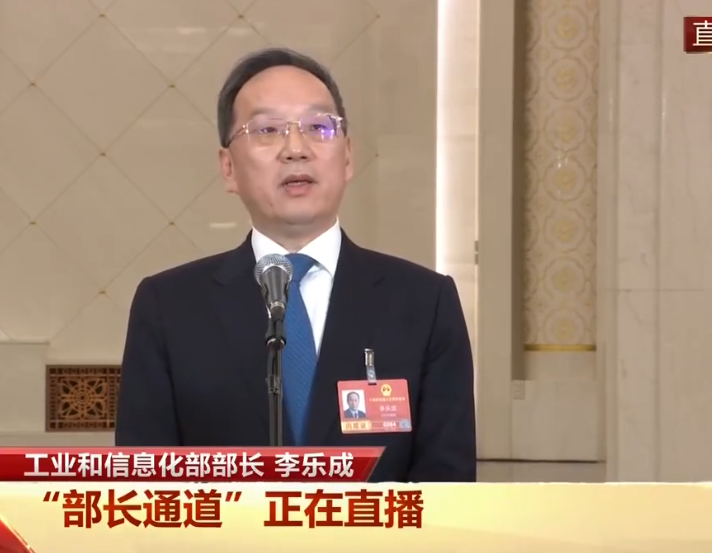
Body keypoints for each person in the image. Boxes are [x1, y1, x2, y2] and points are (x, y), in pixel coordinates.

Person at [115, 47, 476, 482]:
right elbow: (146, 484)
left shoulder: (424, 302)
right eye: (267, 129)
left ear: (347, 156)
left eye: (319, 127)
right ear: (228, 168)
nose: (296, 149)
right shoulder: (169, 306)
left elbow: (447, 486)